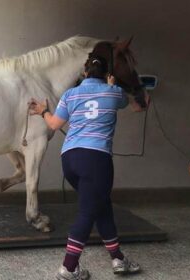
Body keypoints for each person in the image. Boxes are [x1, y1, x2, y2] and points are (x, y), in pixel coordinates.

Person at [29, 55, 140, 280]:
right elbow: (133, 105)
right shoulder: (114, 93)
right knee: (89, 210)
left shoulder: (70, 94)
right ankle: (69, 267)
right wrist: (112, 85)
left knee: (101, 205)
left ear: (84, 73)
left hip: (70, 159)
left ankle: (118, 259)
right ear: (107, 74)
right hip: (96, 160)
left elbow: (53, 124)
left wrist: (43, 111)